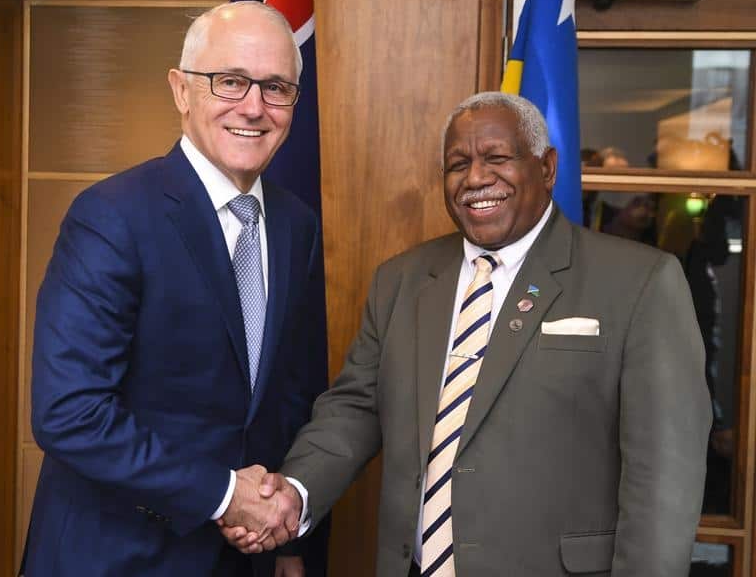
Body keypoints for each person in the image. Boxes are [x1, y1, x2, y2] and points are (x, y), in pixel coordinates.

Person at [224, 92, 711, 576]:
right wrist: (293, 493)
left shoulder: (640, 282)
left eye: (497, 157)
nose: (476, 178)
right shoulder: (402, 280)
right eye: (459, 164)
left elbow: (664, 479)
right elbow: (354, 409)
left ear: (546, 168)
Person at [22, 1, 327, 577]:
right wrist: (220, 494)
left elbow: (292, 396)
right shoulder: (112, 215)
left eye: (276, 87)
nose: (254, 108)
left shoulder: (297, 225)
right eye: (230, 81)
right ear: (181, 90)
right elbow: (70, 412)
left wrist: (287, 539)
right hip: (118, 556)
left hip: (245, 560)